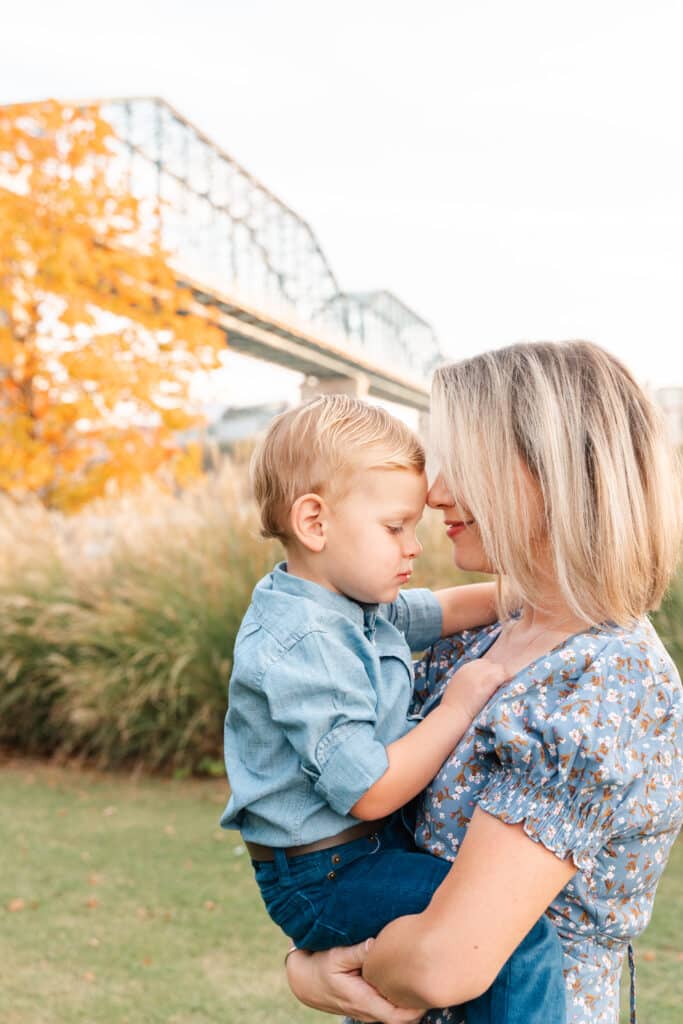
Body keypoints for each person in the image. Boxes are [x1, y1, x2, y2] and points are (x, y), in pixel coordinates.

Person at [285, 340, 683, 1024]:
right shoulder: (481, 634)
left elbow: (445, 962)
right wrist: (311, 967)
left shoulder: (605, 678)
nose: (435, 492)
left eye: (463, 463)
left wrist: (322, 968)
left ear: (551, 474)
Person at [221, 394, 567, 1023]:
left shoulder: (349, 605)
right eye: (394, 527)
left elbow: (449, 608)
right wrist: (456, 708)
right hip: (329, 873)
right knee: (511, 936)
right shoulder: (307, 642)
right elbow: (372, 791)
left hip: (359, 856)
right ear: (315, 523)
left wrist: (549, 588)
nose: (414, 545)